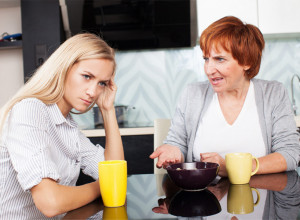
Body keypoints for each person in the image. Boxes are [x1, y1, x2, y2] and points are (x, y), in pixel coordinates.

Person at [150, 16, 300, 176]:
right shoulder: (192, 93)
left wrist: (232, 168)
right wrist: (173, 151)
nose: (209, 70)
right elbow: (177, 143)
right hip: (203, 197)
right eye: (206, 59)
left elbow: (290, 154)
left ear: (246, 61)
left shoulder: (273, 93)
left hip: (260, 195)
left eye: (219, 59)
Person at [0, 33, 124, 218]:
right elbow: (51, 203)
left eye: (101, 83)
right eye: (87, 76)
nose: (93, 92)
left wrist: (108, 110)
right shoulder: (29, 110)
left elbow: (114, 170)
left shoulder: (68, 127)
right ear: (63, 68)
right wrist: (104, 186)